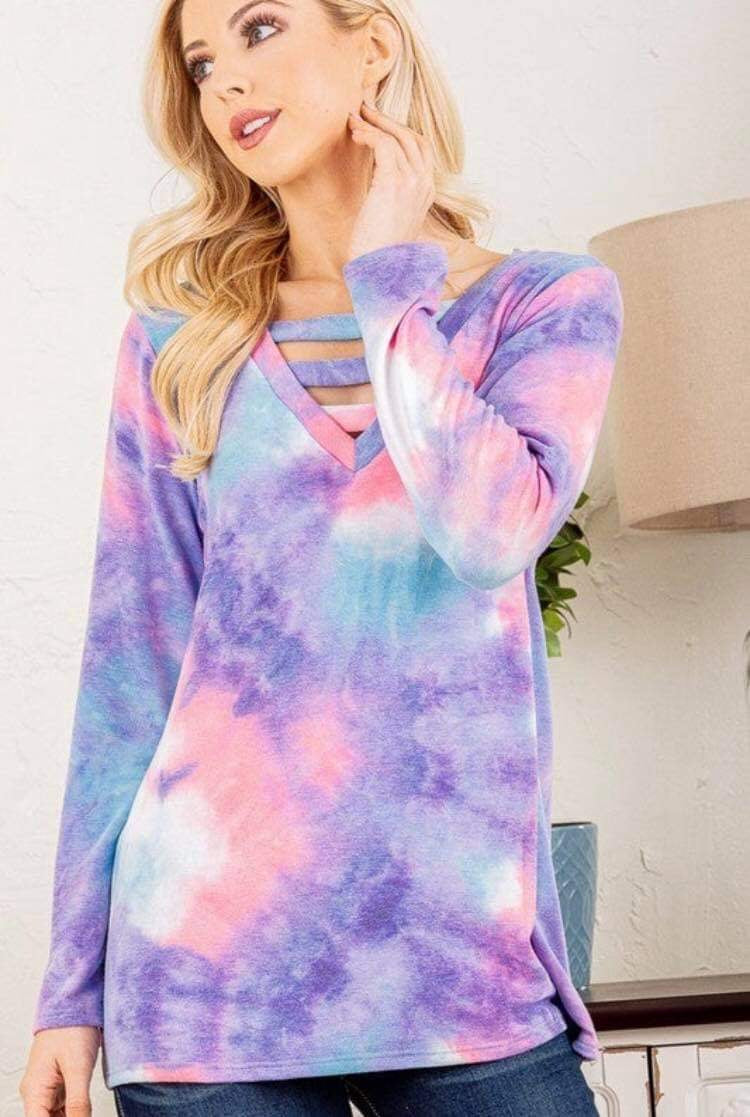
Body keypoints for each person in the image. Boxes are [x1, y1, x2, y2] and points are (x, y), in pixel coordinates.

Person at [20, 0, 624, 1114]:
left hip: (461, 971)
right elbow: (128, 674)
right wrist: (70, 992)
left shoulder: (545, 301)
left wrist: (388, 278)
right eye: (202, 64)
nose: (226, 82)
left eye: (258, 30)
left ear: (373, 44)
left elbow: (492, 532)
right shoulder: (177, 343)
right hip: (206, 988)